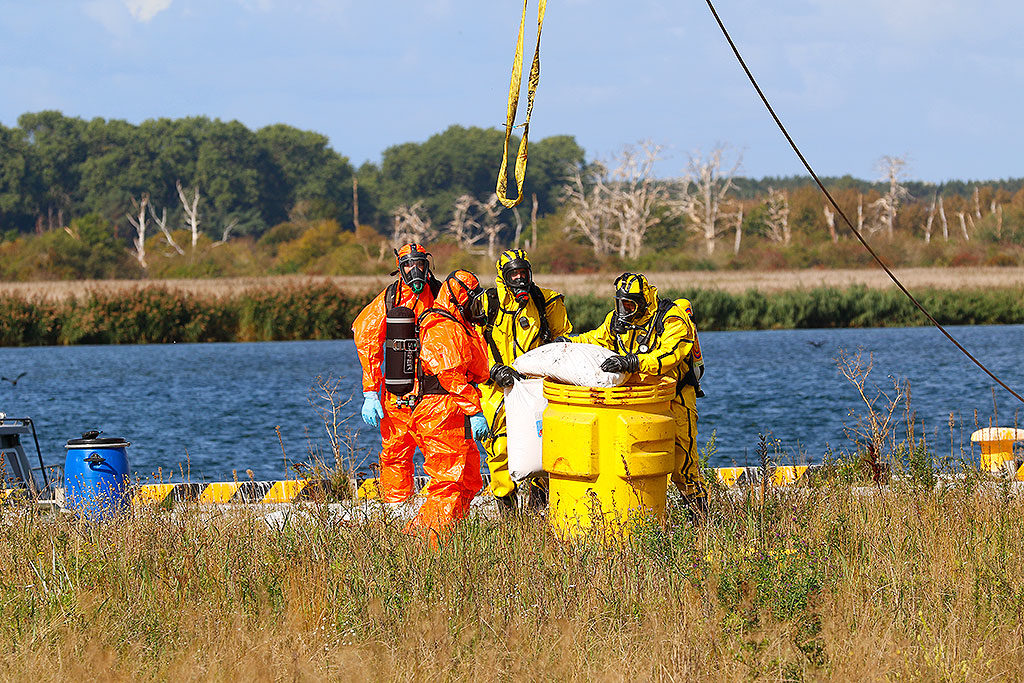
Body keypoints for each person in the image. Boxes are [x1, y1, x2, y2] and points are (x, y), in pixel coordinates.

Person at [562, 272, 706, 514]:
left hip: (675, 398)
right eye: (620, 304)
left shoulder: (672, 319)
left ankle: (700, 518)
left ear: (643, 301)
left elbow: (668, 356)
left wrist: (632, 362)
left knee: (683, 463)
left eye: (629, 305)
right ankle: (641, 511)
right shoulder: (617, 320)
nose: (624, 310)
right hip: (638, 401)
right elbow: (596, 339)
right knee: (636, 460)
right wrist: (567, 342)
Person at [479, 249, 572, 513]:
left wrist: (557, 351)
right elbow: (472, 346)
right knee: (499, 446)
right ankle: (507, 510)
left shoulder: (546, 301)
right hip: (497, 387)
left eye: (524, 273)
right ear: (503, 276)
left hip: (536, 387)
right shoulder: (487, 304)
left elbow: (564, 338)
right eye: (514, 274)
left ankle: (538, 507)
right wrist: (493, 370)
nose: (520, 279)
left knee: (544, 443)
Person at [405, 269, 491, 539]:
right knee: (447, 481)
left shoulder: (460, 326)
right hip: (440, 412)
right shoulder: (442, 327)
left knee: (469, 480)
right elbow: (450, 375)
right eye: (473, 300)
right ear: (460, 297)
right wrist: (475, 410)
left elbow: (478, 370)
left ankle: (450, 536)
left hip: (455, 412)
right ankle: (429, 543)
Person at [351, 243, 440, 503]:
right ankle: (396, 506)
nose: (415, 270)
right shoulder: (390, 298)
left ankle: (443, 509)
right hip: (398, 390)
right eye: (409, 265)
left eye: (420, 264)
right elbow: (366, 337)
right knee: (395, 452)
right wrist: (370, 392)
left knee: (442, 451)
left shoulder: (441, 295)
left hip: (436, 391)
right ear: (400, 268)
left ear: (427, 265)